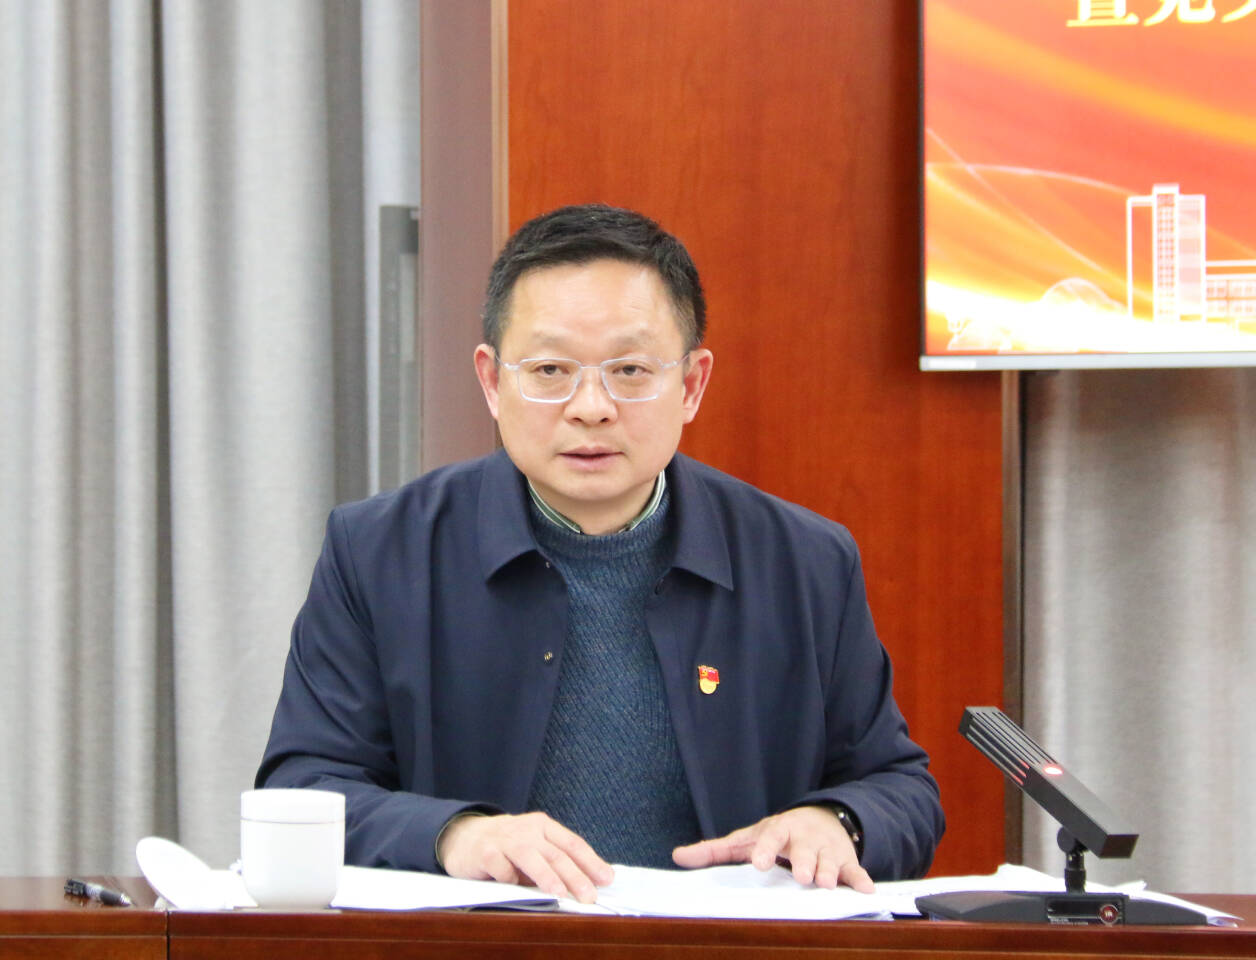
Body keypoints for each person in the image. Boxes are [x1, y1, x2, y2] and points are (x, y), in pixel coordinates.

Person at [257, 204, 944, 904]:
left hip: (724, 949)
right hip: (481, 947)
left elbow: (900, 787)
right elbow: (303, 785)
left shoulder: (805, 562)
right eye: (550, 369)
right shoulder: (381, 552)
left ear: (692, 385)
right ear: (492, 381)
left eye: (630, 369)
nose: (591, 406)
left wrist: (838, 821)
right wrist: (454, 835)